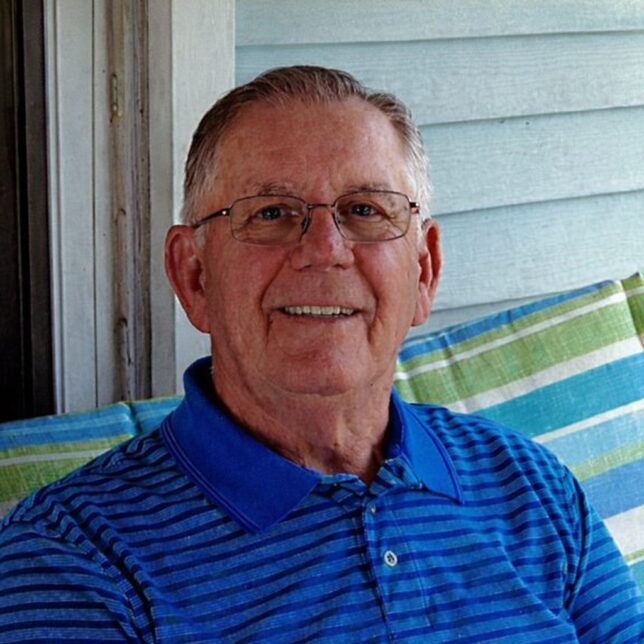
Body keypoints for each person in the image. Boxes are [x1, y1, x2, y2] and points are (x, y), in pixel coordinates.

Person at [0, 65, 641, 642]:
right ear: (194, 277)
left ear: (423, 272)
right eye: (272, 213)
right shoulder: (70, 563)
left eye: (365, 210)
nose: (326, 250)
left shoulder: (532, 487)